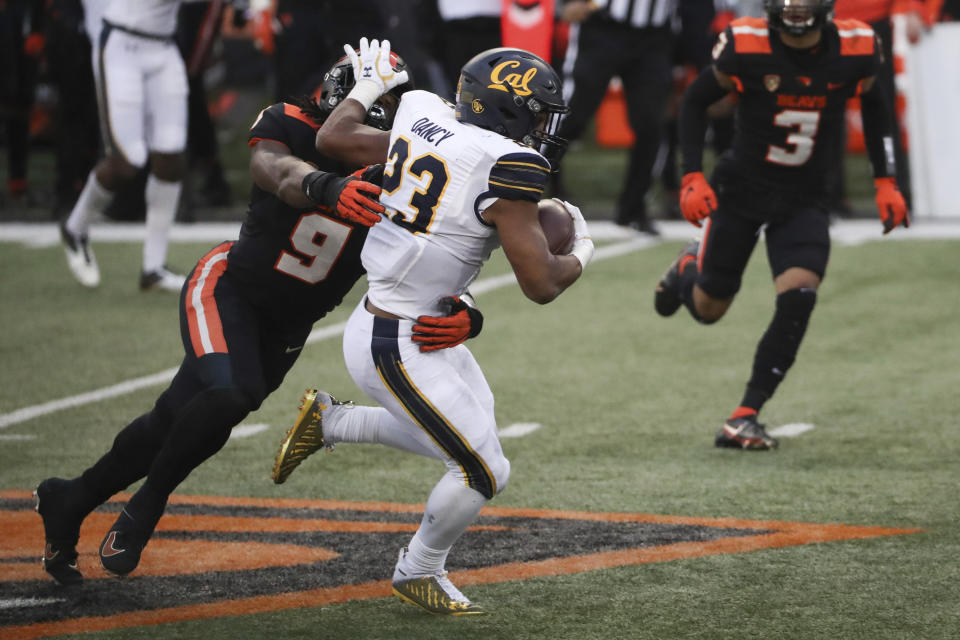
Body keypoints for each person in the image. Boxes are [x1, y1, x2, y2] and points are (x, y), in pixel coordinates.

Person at [34, 49, 483, 586]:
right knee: (231, 393)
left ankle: (70, 499)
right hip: (230, 290)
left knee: (175, 417)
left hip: (289, 326)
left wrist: (468, 312)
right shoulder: (288, 123)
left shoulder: (409, 166)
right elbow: (274, 168)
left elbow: (441, 254)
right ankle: (147, 505)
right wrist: (327, 186)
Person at [270, 39, 594, 615]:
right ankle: (418, 568)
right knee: (484, 468)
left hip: (414, 321)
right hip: (398, 341)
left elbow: (334, 139)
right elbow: (541, 283)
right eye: (537, 112)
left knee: (475, 435)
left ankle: (333, 421)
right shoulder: (510, 164)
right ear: (508, 108)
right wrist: (583, 248)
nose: (544, 125)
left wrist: (369, 85)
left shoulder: (423, 111)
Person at [653, 0, 909, 450]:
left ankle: (745, 414)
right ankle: (685, 272)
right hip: (742, 189)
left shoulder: (858, 47)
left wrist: (886, 180)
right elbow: (694, 101)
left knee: (800, 296)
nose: (794, 7)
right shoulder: (746, 44)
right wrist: (691, 174)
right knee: (710, 308)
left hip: (805, 194)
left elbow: (876, 106)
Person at [60, 0, 196, 292]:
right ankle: (75, 228)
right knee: (127, 161)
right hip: (122, 45)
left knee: (171, 157)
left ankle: (153, 268)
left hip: (163, 47)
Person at [551, 0, 678, 236]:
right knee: (570, 116)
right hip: (601, 25)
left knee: (651, 124)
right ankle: (526, 188)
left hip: (654, 35)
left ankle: (633, 207)